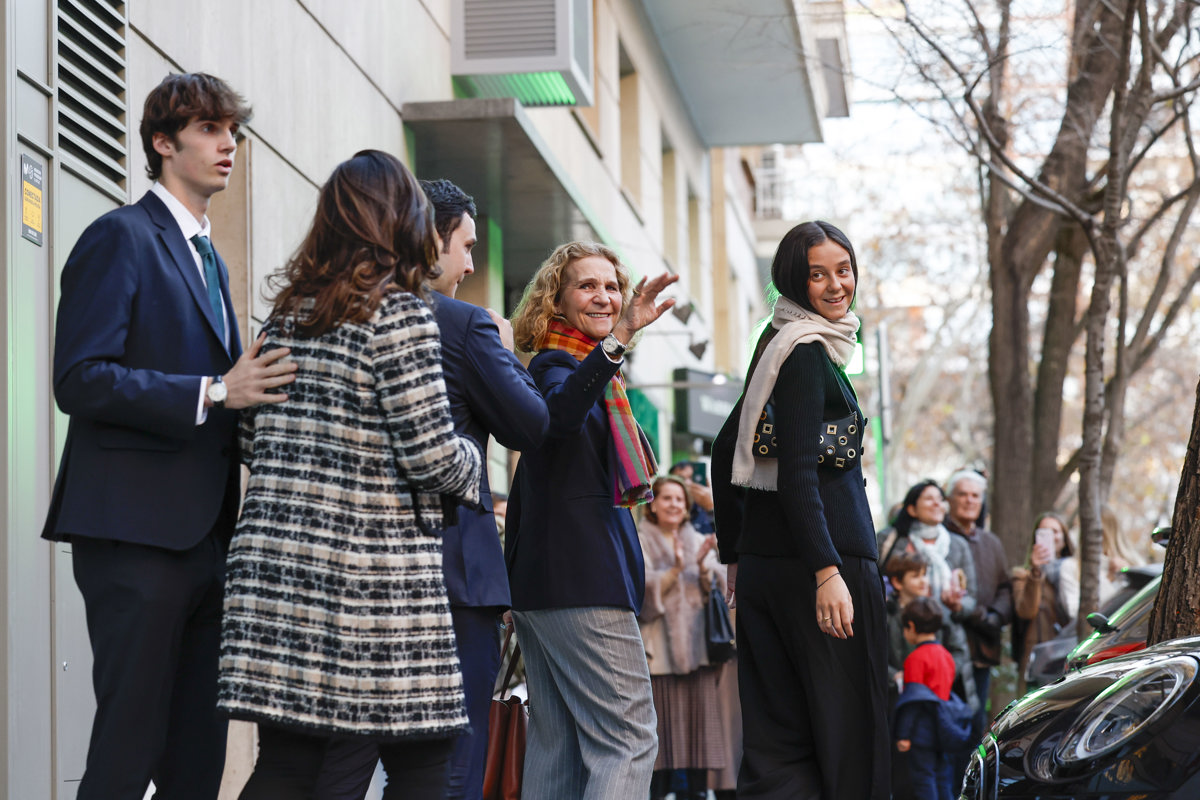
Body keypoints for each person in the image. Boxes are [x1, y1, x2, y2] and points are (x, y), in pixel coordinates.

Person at [40, 73, 296, 800]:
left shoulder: (209, 258)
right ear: (163, 141)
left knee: (196, 759)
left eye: (234, 133)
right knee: (128, 749)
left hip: (208, 538)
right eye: (212, 130)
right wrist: (216, 391)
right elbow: (80, 378)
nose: (229, 146)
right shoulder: (120, 236)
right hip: (132, 535)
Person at [218, 150, 483, 799]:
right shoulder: (397, 314)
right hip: (371, 586)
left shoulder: (287, 314)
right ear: (401, 221)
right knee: (425, 759)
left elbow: (251, 434)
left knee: (289, 757)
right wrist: (474, 459)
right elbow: (432, 456)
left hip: (278, 574)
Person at [312, 179, 549, 800]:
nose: (471, 264)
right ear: (429, 236)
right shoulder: (465, 326)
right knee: (448, 763)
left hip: (358, 572)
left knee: (346, 756)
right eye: (465, 246)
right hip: (455, 572)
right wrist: (502, 348)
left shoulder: (327, 314)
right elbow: (531, 423)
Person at [710, 220, 889, 799]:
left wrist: (738, 554)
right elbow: (798, 475)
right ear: (794, 279)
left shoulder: (776, 343)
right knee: (849, 740)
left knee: (778, 747)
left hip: (768, 569)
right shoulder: (807, 352)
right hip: (824, 568)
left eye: (844, 269)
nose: (837, 285)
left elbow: (723, 449)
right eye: (818, 274)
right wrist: (827, 571)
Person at [504, 241, 678, 798]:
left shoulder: (592, 371)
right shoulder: (557, 363)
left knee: (560, 745)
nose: (604, 297)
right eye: (586, 285)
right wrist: (619, 340)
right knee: (629, 739)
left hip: (550, 583)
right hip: (581, 582)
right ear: (554, 300)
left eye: (611, 286)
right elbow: (558, 419)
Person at [637, 474, 729, 800]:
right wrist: (674, 570)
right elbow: (639, 591)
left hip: (697, 652)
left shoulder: (696, 538)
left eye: (680, 499)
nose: (674, 505)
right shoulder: (640, 539)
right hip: (658, 655)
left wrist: (704, 566)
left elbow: (717, 588)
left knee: (699, 740)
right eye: (667, 498)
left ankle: (698, 795)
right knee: (659, 743)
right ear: (652, 504)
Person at [886, 480, 979, 715]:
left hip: (945, 637)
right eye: (929, 498)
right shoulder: (893, 542)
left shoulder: (957, 545)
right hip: (902, 638)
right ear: (912, 508)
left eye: (940, 498)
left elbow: (972, 598)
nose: (937, 503)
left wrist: (956, 605)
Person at [942, 470, 1012, 731]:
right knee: (945, 725)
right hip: (946, 648)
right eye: (962, 494)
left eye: (975, 495)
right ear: (949, 499)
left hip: (982, 647)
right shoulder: (938, 538)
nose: (969, 500)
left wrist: (995, 616)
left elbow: (1005, 587)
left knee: (974, 726)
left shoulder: (991, 543)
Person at [893, 597, 975, 800]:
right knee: (943, 777)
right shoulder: (946, 655)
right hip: (943, 728)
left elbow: (912, 700)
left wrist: (903, 734)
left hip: (922, 731)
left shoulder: (915, 659)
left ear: (910, 626)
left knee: (924, 779)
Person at [1011, 512, 1079, 689]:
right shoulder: (1023, 576)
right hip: (1039, 662)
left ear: (1064, 538)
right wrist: (1036, 573)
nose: (1051, 537)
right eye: (1043, 532)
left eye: (1055, 531)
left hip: (1072, 655)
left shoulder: (1078, 572)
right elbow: (1026, 611)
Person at [670, 459, 716, 534]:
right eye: (681, 479)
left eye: (692, 478)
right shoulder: (668, 508)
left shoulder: (710, 507)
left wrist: (711, 507)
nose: (687, 483)